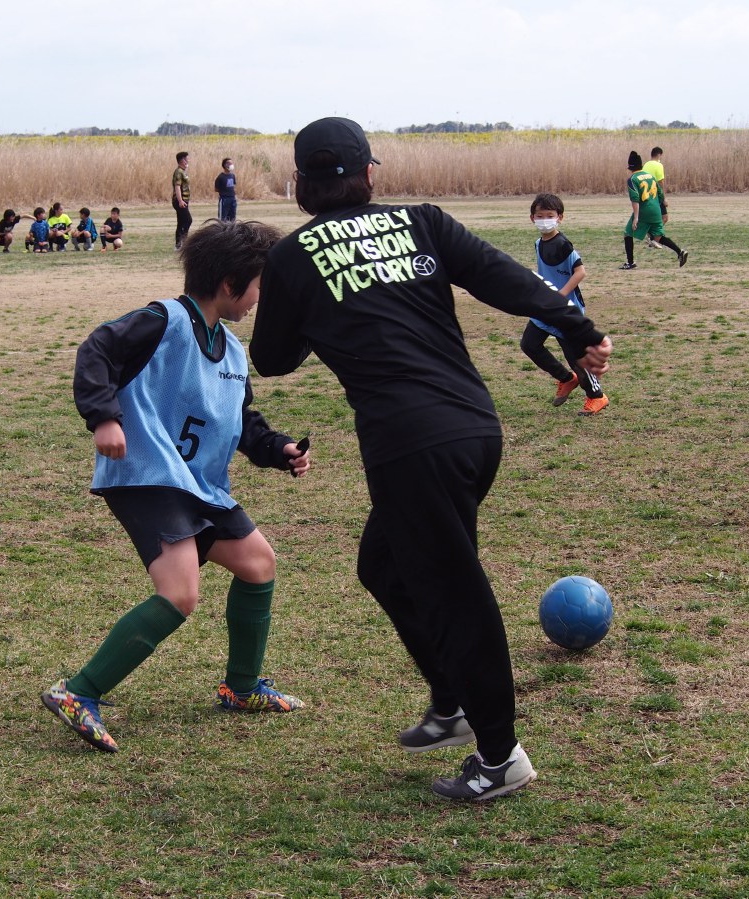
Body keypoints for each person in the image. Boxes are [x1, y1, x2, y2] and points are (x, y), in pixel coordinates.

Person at [250, 117, 612, 803]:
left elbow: (270, 357)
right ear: (368, 174)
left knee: (455, 595)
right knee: (383, 565)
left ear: (300, 183)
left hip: (411, 447)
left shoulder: (293, 257)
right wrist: (579, 326)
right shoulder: (421, 220)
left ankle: (500, 756)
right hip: (472, 427)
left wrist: (316, 315)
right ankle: (451, 701)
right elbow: (502, 278)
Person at [41, 219, 311, 753]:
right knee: (180, 593)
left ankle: (241, 689)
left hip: (198, 484)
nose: (262, 298)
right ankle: (78, 692)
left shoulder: (232, 351)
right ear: (231, 284)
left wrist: (277, 448)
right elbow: (97, 350)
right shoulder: (163, 320)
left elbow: (239, 421)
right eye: (261, 285)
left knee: (258, 563)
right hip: (147, 475)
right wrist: (104, 417)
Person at [524, 193, 608, 415]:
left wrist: (560, 295)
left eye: (549, 215)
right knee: (529, 345)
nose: (544, 220)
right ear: (532, 218)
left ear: (560, 217)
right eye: (539, 216)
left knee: (576, 359)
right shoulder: (538, 243)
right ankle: (566, 379)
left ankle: (597, 397)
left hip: (565, 310)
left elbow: (580, 272)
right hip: (546, 307)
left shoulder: (563, 244)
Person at [621, 151, 686, 270]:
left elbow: (635, 199)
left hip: (644, 211)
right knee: (658, 237)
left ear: (630, 167)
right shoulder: (650, 176)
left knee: (628, 233)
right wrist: (664, 202)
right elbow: (660, 193)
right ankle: (680, 251)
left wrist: (636, 217)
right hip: (656, 210)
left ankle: (630, 262)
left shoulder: (632, 179)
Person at [641, 147, 667, 247]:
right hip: (656, 195)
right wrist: (664, 198)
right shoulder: (659, 165)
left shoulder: (646, 164)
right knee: (664, 217)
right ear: (659, 155)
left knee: (654, 218)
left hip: (646, 195)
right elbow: (661, 182)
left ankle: (652, 238)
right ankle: (653, 238)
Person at [172, 151, 192, 250]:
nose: (188, 161)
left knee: (181, 222)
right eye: (186, 159)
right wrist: (180, 201)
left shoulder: (183, 171)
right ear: (182, 160)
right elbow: (177, 187)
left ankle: (178, 245)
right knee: (188, 220)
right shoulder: (179, 172)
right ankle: (184, 242)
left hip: (184, 200)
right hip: (180, 201)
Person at [215, 157, 237, 221]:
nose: (231, 165)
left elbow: (233, 186)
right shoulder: (220, 177)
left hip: (232, 198)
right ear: (225, 165)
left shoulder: (232, 175)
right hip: (224, 199)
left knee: (232, 218)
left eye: (232, 163)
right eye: (229, 163)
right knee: (223, 218)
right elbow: (216, 189)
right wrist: (224, 192)